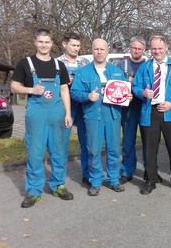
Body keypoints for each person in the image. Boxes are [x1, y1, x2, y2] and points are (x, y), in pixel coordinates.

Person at [11, 29, 73, 208]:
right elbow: (14, 87)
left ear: (52, 44)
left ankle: (58, 185)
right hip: (36, 115)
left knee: (58, 152)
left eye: (47, 42)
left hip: (56, 114)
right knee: (35, 153)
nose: (44, 45)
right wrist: (31, 90)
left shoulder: (58, 65)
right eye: (40, 42)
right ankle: (34, 190)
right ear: (35, 42)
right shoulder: (25, 63)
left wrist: (68, 114)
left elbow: (63, 91)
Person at [70, 38, 132, 196]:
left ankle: (113, 180)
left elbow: (123, 91)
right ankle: (95, 181)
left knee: (113, 149)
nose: (99, 52)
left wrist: (128, 96)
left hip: (112, 115)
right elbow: (74, 92)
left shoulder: (116, 71)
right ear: (92, 51)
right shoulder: (83, 72)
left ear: (107, 51)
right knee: (93, 150)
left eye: (102, 49)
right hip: (93, 115)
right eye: (96, 49)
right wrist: (87, 96)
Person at [132, 35, 171, 195]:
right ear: (150, 49)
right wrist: (142, 92)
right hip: (150, 112)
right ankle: (150, 180)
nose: (157, 51)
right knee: (149, 150)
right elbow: (135, 86)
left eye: (160, 48)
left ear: (166, 47)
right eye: (154, 48)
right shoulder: (144, 67)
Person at [56, 32, 90, 185]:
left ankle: (87, 174)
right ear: (64, 44)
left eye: (78, 46)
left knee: (86, 140)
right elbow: (52, 85)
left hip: (82, 104)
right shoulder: (56, 63)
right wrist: (63, 81)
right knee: (62, 141)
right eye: (73, 45)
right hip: (65, 105)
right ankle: (59, 179)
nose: (76, 49)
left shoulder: (84, 62)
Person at [116, 37, 147, 184]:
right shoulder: (121, 65)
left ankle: (150, 170)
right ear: (129, 48)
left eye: (139, 49)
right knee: (128, 141)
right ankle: (127, 171)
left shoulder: (148, 65)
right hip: (128, 109)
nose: (137, 51)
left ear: (144, 50)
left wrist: (137, 84)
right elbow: (115, 85)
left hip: (145, 107)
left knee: (149, 141)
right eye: (134, 48)